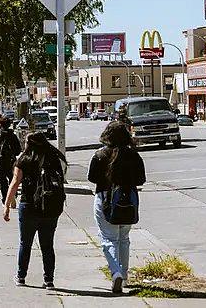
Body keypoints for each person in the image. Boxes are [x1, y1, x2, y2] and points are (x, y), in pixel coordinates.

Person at [2, 131, 67, 290]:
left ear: (29, 144)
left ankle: (21, 276)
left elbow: (15, 183)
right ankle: (49, 280)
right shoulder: (53, 158)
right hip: (50, 207)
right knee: (47, 245)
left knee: (25, 243)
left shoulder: (24, 160)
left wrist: (7, 205)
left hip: (29, 205)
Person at [87, 121, 146, 295]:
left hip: (105, 198)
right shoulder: (133, 155)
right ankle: (124, 276)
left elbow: (92, 177)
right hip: (128, 200)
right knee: (124, 238)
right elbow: (141, 179)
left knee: (108, 239)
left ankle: (116, 272)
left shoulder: (100, 155)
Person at [0, 117, 20, 205]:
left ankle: (5, 198)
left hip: (1, 162)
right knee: (12, 179)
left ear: (0, 125)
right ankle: (13, 194)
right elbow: (18, 150)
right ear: (9, 125)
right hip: (11, 161)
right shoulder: (13, 136)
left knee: (3, 181)